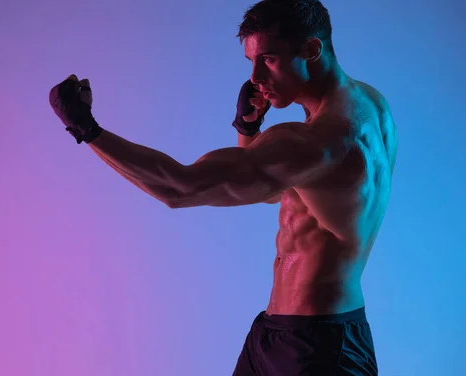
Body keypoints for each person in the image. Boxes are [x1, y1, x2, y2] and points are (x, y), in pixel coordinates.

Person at [49, 0, 397, 374]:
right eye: (251, 61)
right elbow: (272, 190)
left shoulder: (315, 142)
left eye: (269, 59)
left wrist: (87, 129)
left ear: (311, 50)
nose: (255, 77)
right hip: (287, 332)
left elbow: (180, 189)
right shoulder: (370, 104)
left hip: (318, 352)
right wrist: (248, 132)